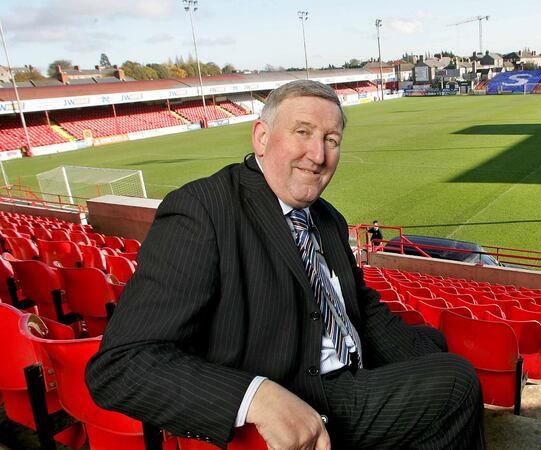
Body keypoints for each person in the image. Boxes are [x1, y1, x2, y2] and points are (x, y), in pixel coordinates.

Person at [86, 80, 485, 450]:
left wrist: (426, 354)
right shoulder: (203, 209)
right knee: (456, 384)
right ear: (261, 137)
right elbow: (122, 363)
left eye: (332, 139)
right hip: (302, 393)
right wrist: (257, 396)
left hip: (350, 372)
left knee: (437, 352)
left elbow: (358, 306)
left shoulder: (327, 218)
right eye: (303, 132)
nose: (318, 155)